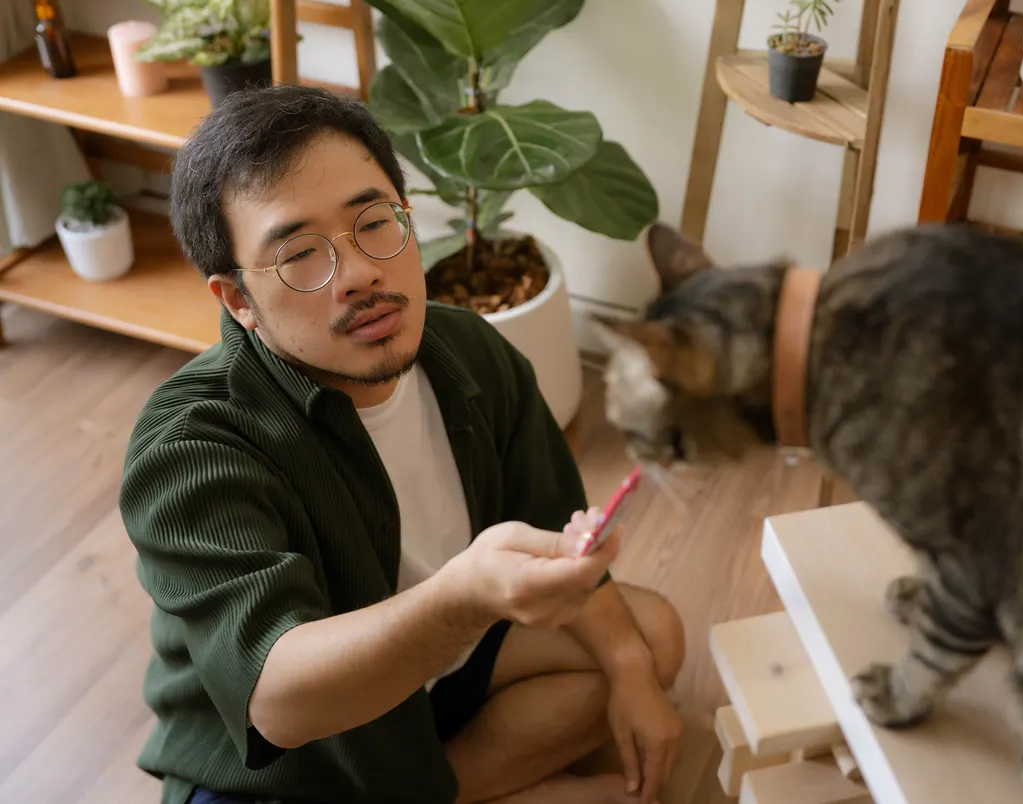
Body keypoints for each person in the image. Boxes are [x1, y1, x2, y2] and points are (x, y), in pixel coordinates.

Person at [118, 84, 686, 804]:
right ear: (238, 301)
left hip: (428, 675)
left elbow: (557, 542)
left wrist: (635, 676)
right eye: (299, 255)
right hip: (289, 761)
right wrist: (467, 596)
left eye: (375, 222)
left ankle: (441, 786)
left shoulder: (474, 352)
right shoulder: (191, 444)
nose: (360, 274)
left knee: (650, 637)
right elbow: (280, 703)